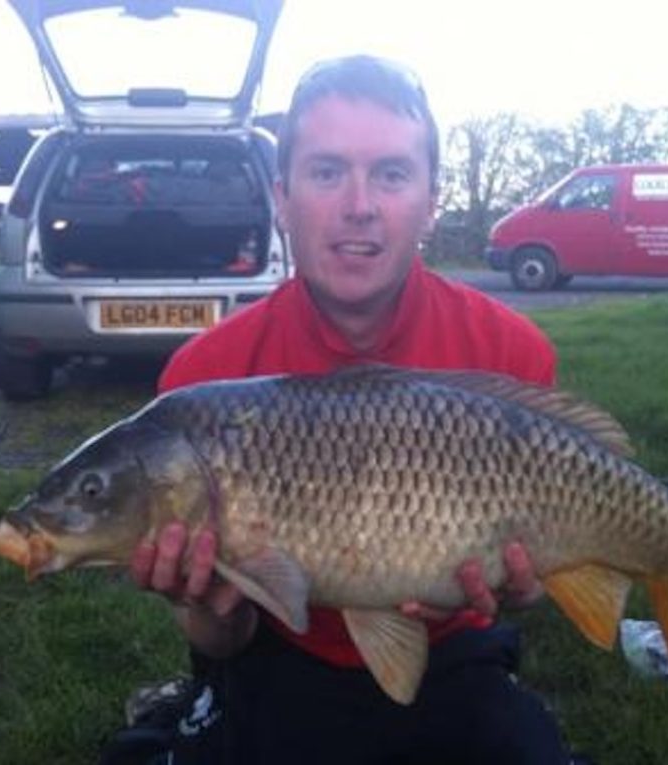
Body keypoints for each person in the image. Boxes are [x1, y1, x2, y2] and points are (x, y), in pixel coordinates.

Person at [124, 55, 571, 764]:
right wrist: (207, 611)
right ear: (282, 195)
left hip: (454, 651)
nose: (358, 203)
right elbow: (221, 638)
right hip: (278, 646)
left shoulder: (509, 352)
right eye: (327, 172)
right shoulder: (203, 380)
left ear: (431, 199)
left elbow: (533, 586)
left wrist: (522, 587)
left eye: (391, 174)